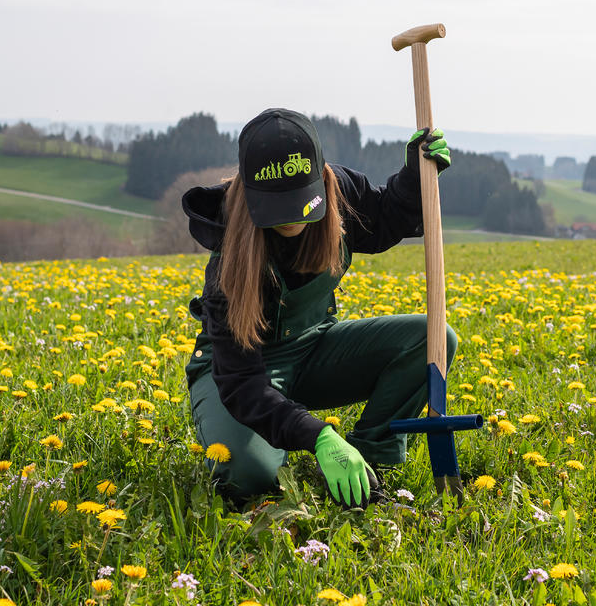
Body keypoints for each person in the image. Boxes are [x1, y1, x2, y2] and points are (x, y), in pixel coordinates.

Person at [182, 107, 455, 508]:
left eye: (301, 202)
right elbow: (242, 384)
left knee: (431, 340)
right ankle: (289, 439)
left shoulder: (339, 191)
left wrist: (416, 178)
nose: (293, 217)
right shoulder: (228, 261)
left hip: (312, 351)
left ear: (320, 177)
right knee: (250, 474)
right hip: (239, 374)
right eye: (278, 207)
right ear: (251, 194)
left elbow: (384, 220)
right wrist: (318, 435)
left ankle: (370, 459)